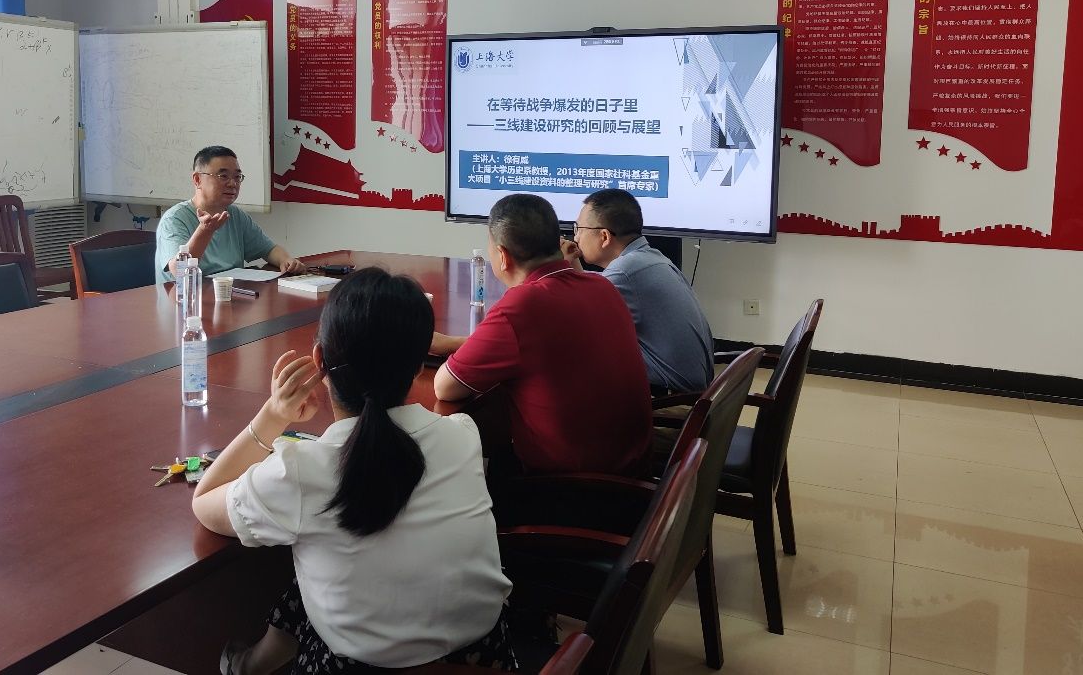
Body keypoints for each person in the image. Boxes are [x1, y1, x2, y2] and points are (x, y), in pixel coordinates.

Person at [191, 268, 516, 674]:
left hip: (358, 667)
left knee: (325, 558)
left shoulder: (300, 472)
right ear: (419, 366)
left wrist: (272, 416)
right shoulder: (462, 435)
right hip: (486, 659)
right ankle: (255, 663)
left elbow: (204, 501)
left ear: (319, 361)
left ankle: (249, 666)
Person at [431, 193, 652, 477]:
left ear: (502, 256)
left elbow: (445, 387)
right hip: (635, 474)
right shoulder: (601, 287)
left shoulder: (522, 306)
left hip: (575, 488)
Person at [563, 189, 715, 394]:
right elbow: (596, 288)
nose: (576, 237)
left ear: (604, 236)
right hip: (693, 388)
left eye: (579, 228)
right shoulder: (648, 258)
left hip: (668, 397)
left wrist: (557, 269)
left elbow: (577, 320)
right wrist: (571, 264)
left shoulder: (624, 272)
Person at [155, 145, 303, 282]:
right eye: (223, 176)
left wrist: (286, 260)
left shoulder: (236, 215)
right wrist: (205, 230)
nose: (233, 183)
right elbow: (180, 271)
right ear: (197, 179)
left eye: (237, 177)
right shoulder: (174, 219)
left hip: (228, 293)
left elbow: (268, 249)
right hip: (187, 297)